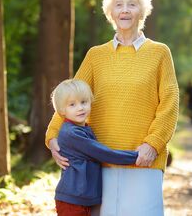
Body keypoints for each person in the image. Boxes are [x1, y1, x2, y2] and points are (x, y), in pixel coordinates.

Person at [46, 0, 179, 216]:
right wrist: (52, 137)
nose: (125, 10)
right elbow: (70, 96)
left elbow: (169, 102)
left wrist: (153, 144)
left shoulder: (159, 53)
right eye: (118, 5)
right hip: (98, 163)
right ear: (110, 13)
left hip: (143, 160)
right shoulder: (96, 56)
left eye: (132, 4)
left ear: (142, 11)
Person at [50, 79, 139, 216]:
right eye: (72, 105)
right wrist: (136, 156)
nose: (80, 108)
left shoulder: (84, 129)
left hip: (85, 197)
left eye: (84, 102)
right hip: (72, 199)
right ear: (62, 110)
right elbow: (104, 153)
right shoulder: (72, 133)